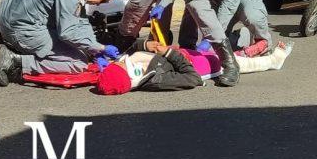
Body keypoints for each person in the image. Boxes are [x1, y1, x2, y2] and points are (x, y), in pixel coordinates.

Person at [0, 0, 120, 86]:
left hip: (14, 19)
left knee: (82, 48)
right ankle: (16, 61)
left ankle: (20, 54)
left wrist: (94, 50)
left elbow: (80, 21)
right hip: (20, 28)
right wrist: (101, 47)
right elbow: (68, 32)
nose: (99, 4)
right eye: (105, 0)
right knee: (78, 62)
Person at [95, 39, 293, 95]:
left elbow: (131, 50)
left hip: (193, 53)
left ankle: (247, 51)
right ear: (127, 74)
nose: (119, 60)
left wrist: (145, 45)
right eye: (119, 64)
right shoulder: (157, 80)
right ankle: (274, 60)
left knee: (228, 52)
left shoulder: (130, 65)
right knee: (242, 63)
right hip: (206, 66)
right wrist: (168, 53)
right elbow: (192, 78)